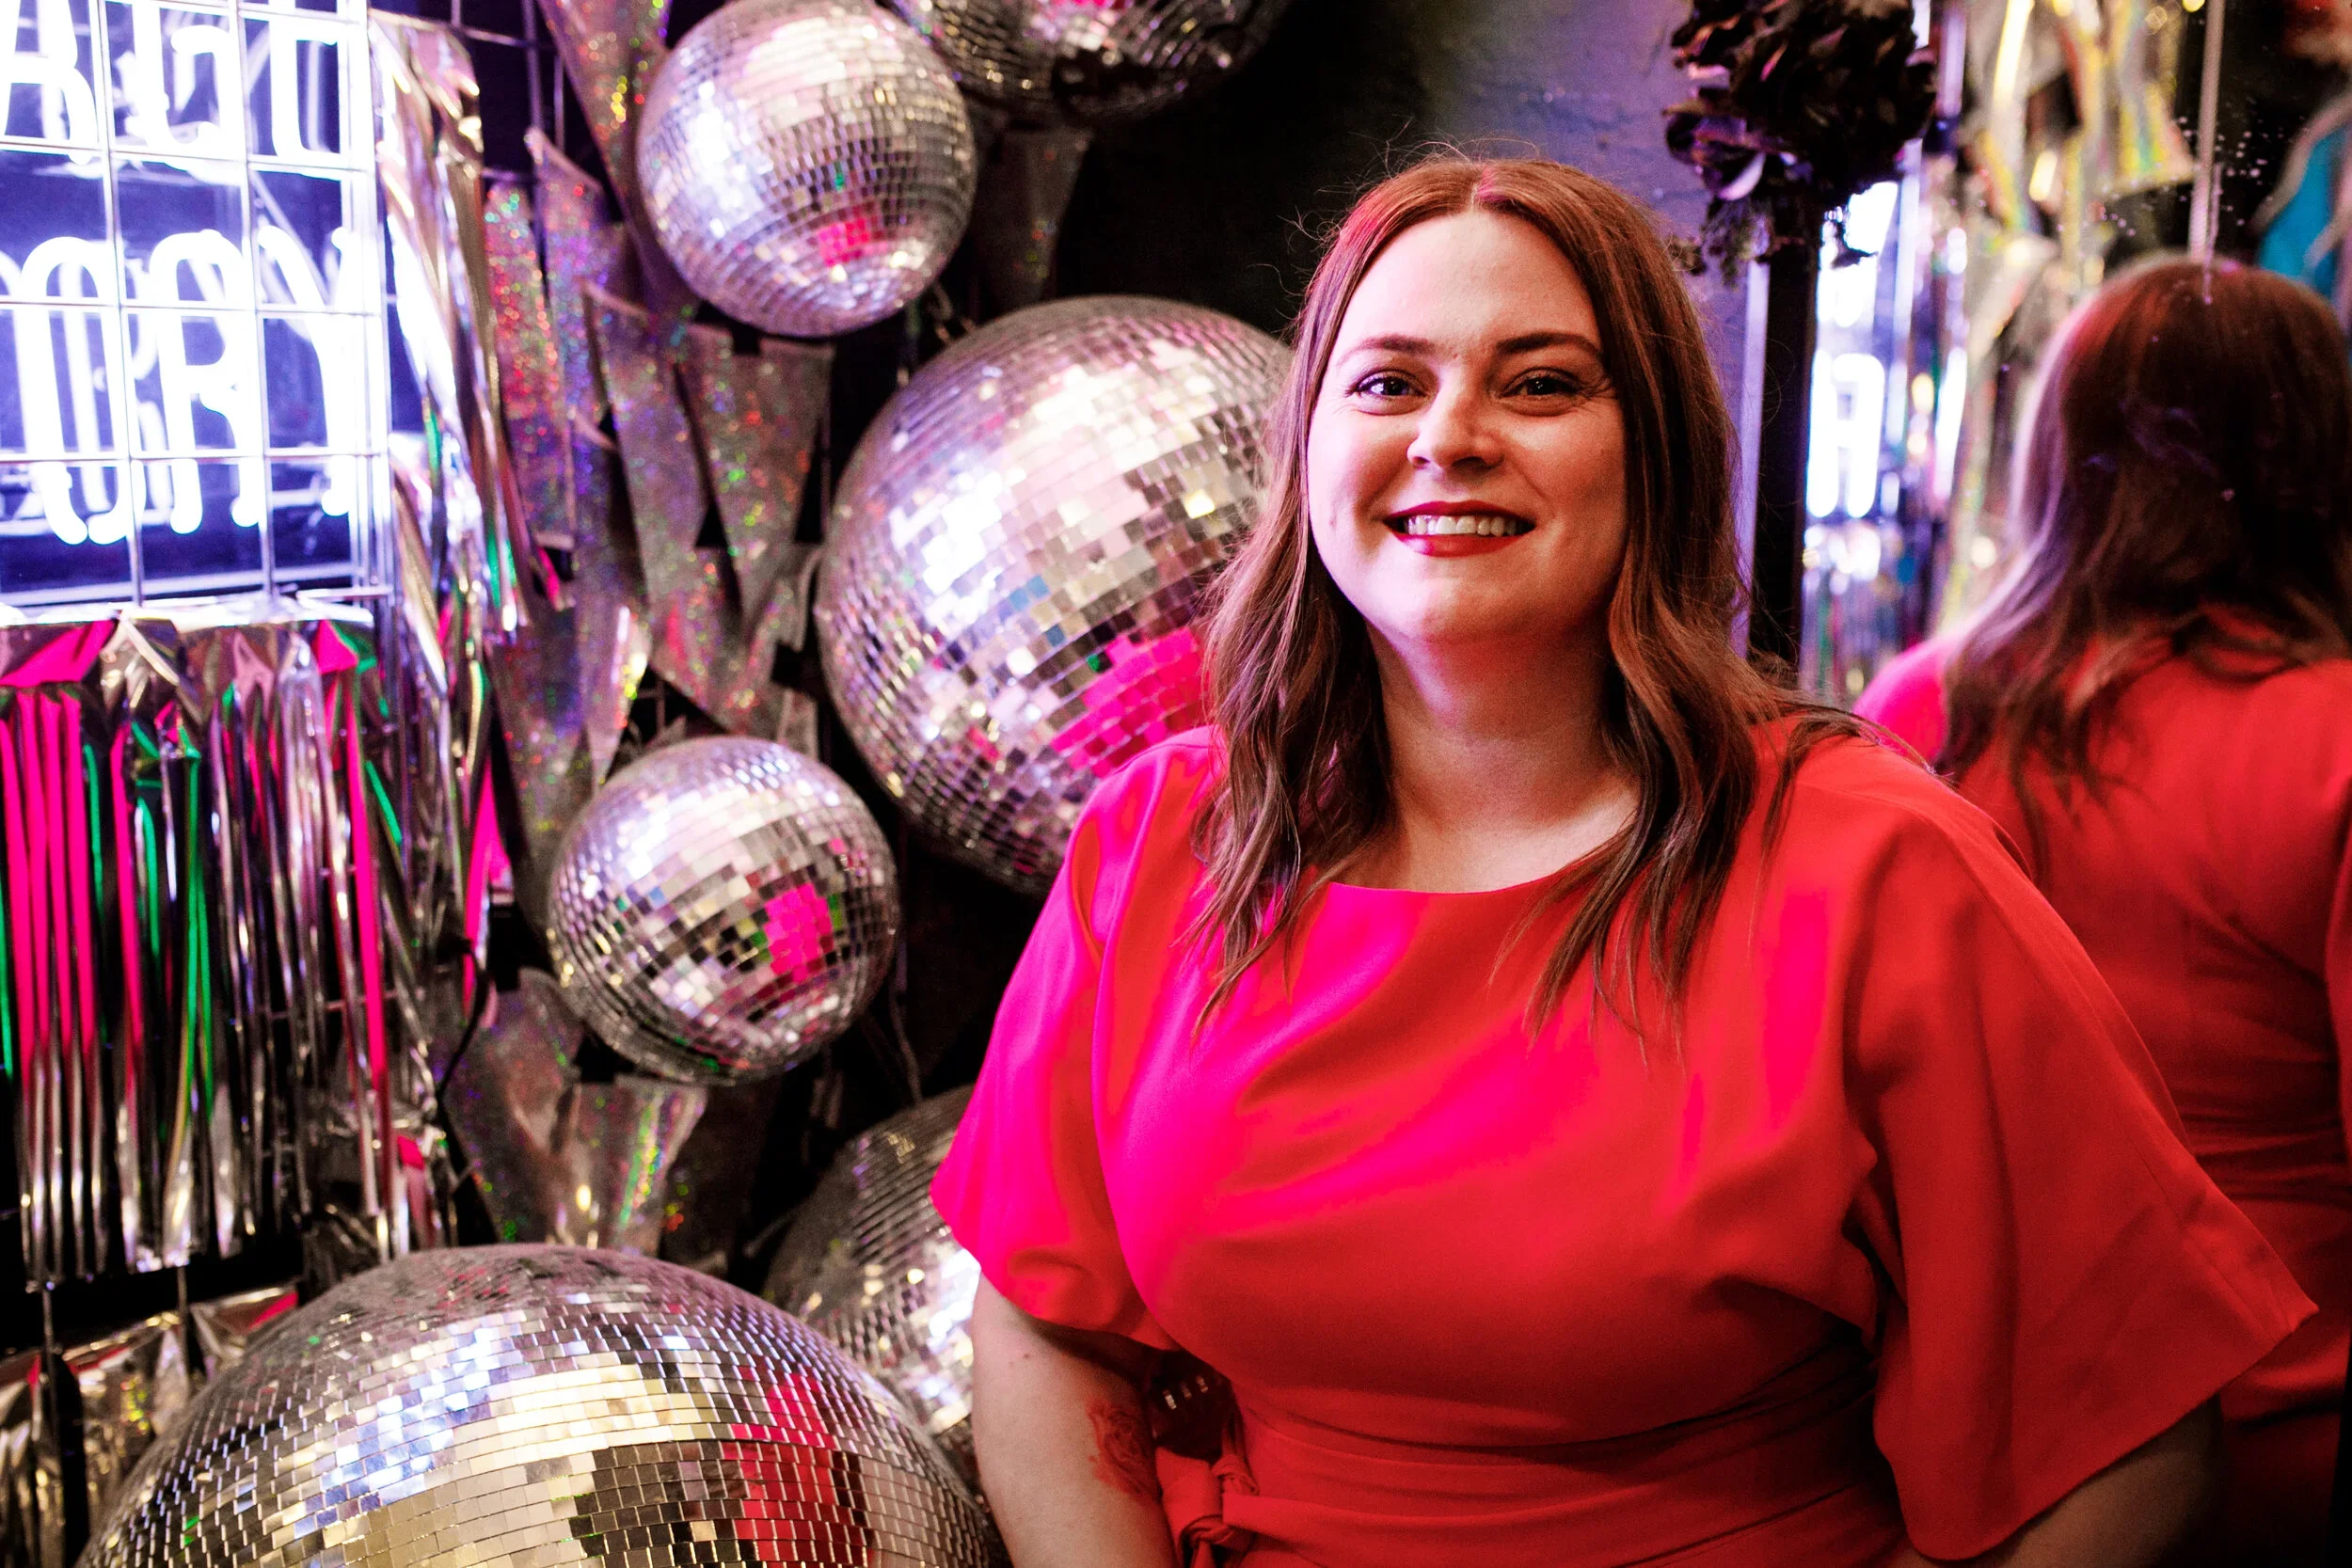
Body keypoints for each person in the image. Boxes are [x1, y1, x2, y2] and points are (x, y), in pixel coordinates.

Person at [931, 158, 2313, 1568]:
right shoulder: (1162, 837)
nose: (1449, 437)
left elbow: (2136, 1448)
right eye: (1389, 383)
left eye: (1539, 384)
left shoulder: (1876, 869)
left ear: (1655, 452)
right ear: (1306, 449)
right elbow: (1045, 1325)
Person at [1857, 256, 2352, 1565]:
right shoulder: (2333, 741)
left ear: (2057, 454)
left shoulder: (1915, 708)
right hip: (2277, 1429)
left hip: (1979, 1437)